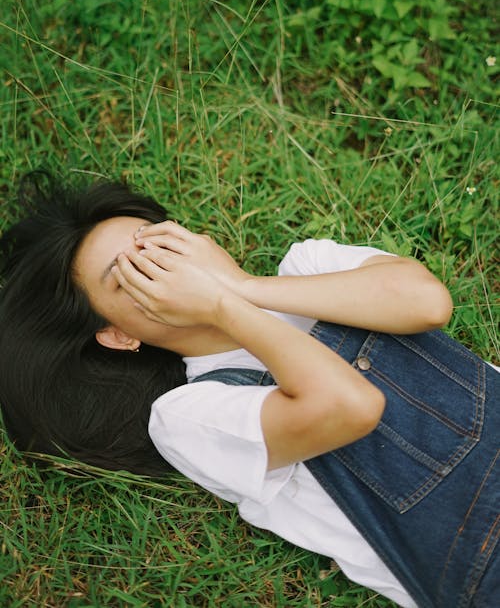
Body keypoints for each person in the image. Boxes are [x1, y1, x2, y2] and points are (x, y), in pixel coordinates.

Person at [0, 174, 498, 608]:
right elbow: (351, 405)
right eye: (128, 275)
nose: (158, 265)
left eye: (153, 242)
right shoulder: (188, 415)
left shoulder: (308, 264)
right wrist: (219, 305)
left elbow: (427, 303)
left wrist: (241, 288)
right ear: (118, 335)